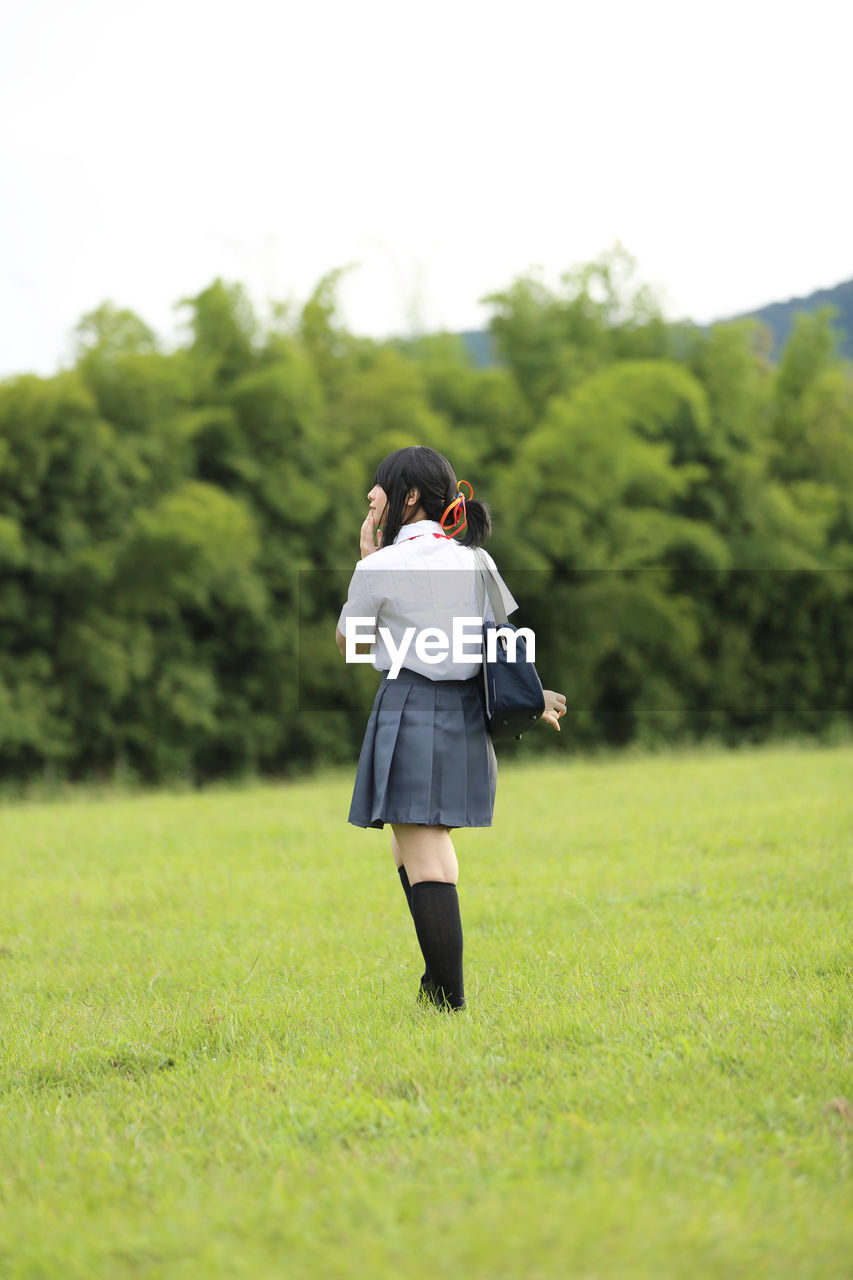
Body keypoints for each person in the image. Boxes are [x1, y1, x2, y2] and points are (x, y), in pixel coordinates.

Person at [335, 445, 566, 1010]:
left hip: (414, 707)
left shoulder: (381, 565)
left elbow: (353, 645)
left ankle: (448, 999)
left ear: (408, 497)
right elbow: (496, 642)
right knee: (411, 851)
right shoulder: (476, 560)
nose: (371, 497)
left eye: (380, 487)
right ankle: (434, 987)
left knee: (427, 856)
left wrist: (365, 560)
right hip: (467, 715)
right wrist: (534, 698)